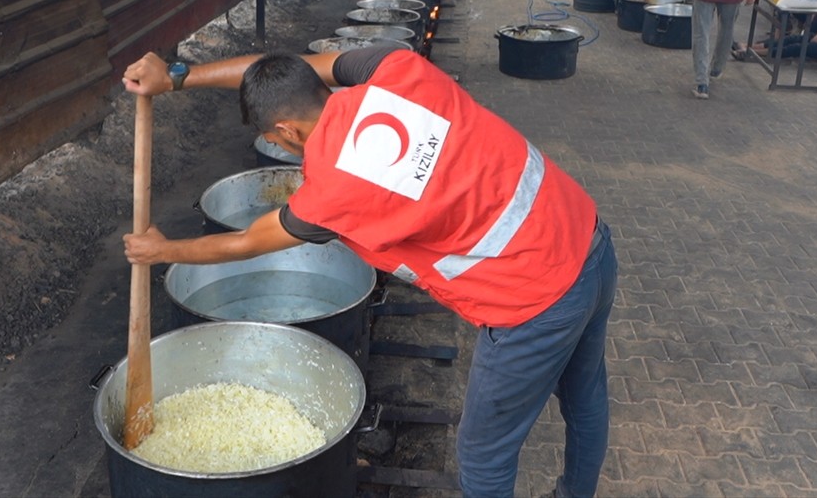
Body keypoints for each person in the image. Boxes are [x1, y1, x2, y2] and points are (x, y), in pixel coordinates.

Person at [122, 47, 619, 498]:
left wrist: (163, 250)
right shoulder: (394, 69)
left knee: (483, 459)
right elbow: (294, 66)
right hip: (586, 233)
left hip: (534, 302)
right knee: (585, 396)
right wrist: (177, 79)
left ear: (286, 134)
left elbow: (247, 242)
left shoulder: (331, 195)